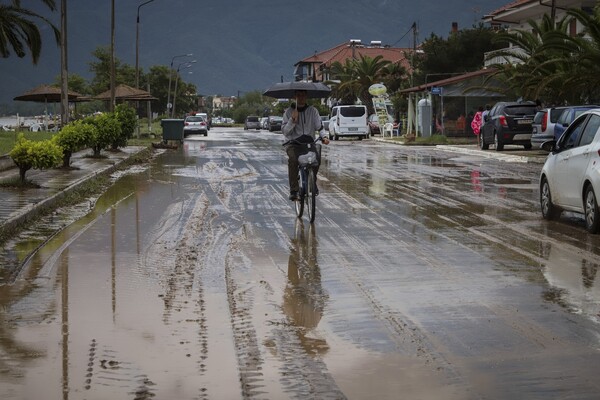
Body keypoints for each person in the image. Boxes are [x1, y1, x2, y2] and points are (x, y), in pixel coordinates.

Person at [282, 90, 330, 201]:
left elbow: (320, 127)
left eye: (303, 95)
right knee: (293, 161)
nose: (301, 97)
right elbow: (285, 132)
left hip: (308, 143)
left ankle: (312, 182)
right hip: (293, 143)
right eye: (298, 95)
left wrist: (324, 137)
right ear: (295, 96)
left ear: (306, 96)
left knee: (316, 159)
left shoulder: (313, 111)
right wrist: (292, 120)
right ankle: (294, 190)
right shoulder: (288, 112)